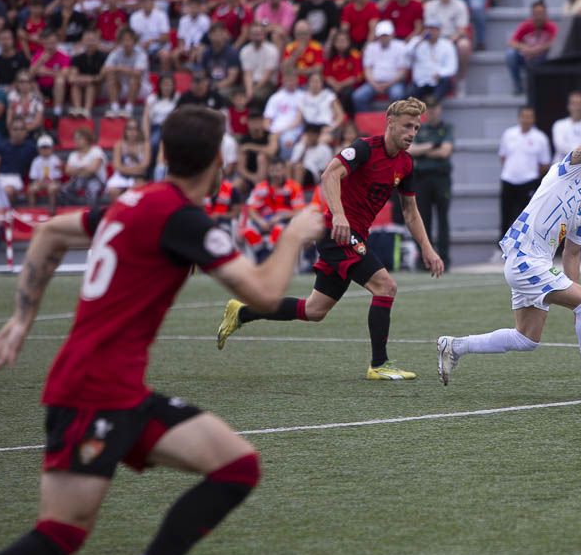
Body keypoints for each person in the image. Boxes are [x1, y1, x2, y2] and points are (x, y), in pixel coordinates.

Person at [0, 107, 325, 555]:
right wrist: (291, 236)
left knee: (237, 466)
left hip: (121, 392)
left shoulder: (138, 201)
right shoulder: (183, 219)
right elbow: (263, 294)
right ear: (217, 163)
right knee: (60, 531)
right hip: (92, 394)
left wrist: (21, 321)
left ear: (163, 155)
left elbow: (48, 232)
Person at [216, 97, 445, 380]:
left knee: (314, 310)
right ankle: (379, 364)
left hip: (354, 235)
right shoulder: (364, 148)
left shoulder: (406, 164)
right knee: (386, 286)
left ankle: (242, 313)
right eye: (407, 126)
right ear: (390, 123)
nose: (412, 133)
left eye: (416, 128)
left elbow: (410, 212)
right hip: (336, 233)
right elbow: (330, 175)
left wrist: (428, 248)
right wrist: (338, 215)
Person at [436, 98, 581, 389]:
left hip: (535, 263)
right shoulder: (568, 171)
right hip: (524, 257)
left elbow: (572, 253)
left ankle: (454, 346)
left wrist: (574, 299)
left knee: (526, 338)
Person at [407, 98, 454, 266]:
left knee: (443, 220)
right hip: (422, 178)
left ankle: (444, 258)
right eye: (430, 108)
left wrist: (423, 151)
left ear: (440, 109)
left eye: (435, 108)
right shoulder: (419, 128)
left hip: (441, 178)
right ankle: (424, 259)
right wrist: (433, 145)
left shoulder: (446, 127)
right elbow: (410, 150)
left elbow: (445, 152)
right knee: (423, 219)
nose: (433, 111)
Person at [497, 105, 551, 238]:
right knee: (506, 216)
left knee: (527, 218)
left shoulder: (540, 138)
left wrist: (530, 175)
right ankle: (501, 248)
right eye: (524, 117)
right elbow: (503, 156)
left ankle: (525, 247)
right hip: (508, 180)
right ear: (519, 118)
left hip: (528, 182)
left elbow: (545, 164)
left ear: (533, 119)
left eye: (529, 117)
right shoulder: (508, 134)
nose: (526, 120)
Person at [551, 90, 581, 160]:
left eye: (580, 104)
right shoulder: (559, 125)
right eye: (574, 104)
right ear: (568, 106)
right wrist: (580, 152)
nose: (577, 108)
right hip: (560, 166)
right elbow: (560, 146)